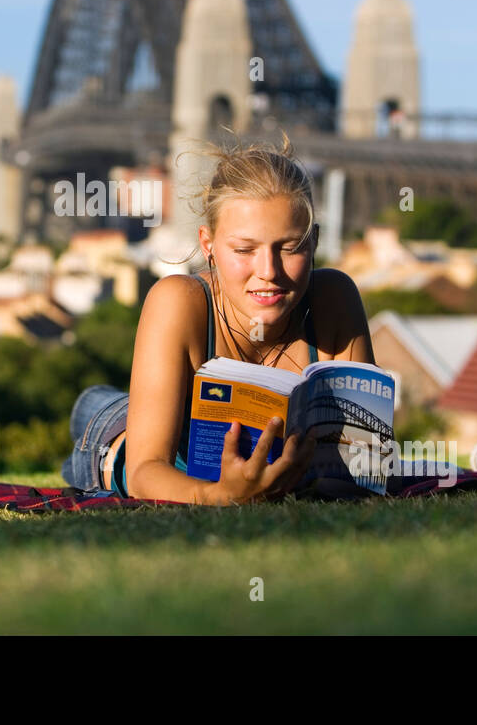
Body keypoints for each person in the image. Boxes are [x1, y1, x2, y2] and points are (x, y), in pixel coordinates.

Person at [62, 133, 376, 505]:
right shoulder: (179, 300)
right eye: (244, 249)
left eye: (290, 248)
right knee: (102, 408)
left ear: (314, 242)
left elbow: (363, 464)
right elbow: (144, 472)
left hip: (167, 410)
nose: (269, 271)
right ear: (208, 244)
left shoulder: (334, 298)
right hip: (116, 443)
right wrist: (223, 496)